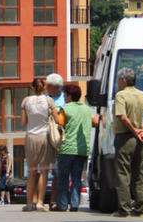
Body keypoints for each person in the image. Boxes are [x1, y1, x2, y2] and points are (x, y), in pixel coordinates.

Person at [111, 68, 143, 218]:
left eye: (118, 80)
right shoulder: (142, 95)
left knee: (123, 173)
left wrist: (135, 130)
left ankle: (124, 209)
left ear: (123, 81)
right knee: (139, 174)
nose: (118, 83)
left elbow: (122, 117)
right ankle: (142, 208)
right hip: (139, 139)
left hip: (125, 137)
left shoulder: (121, 95)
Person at [55, 84, 99, 212]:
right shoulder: (86, 109)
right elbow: (95, 123)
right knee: (76, 178)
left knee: (63, 178)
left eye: (65, 95)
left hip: (67, 148)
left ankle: (62, 205)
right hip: (82, 150)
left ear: (69, 96)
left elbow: (60, 124)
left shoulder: (65, 109)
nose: (64, 97)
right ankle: (74, 204)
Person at [20, 78, 60, 212]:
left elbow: (23, 122)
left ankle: (29, 202)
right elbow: (58, 119)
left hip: (30, 137)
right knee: (43, 170)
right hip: (44, 136)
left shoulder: (26, 101)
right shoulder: (49, 101)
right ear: (44, 87)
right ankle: (40, 203)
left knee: (31, 171)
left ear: (32, 88)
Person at [45, 73, 65, 210]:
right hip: (45, 137)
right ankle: (39, 199)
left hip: (58, 138)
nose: (46, 87)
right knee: (43, 170)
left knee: (57, 172)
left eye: (48, 85)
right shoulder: (44, 98)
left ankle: (54, 199)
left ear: (55, 87)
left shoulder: (65, 99)